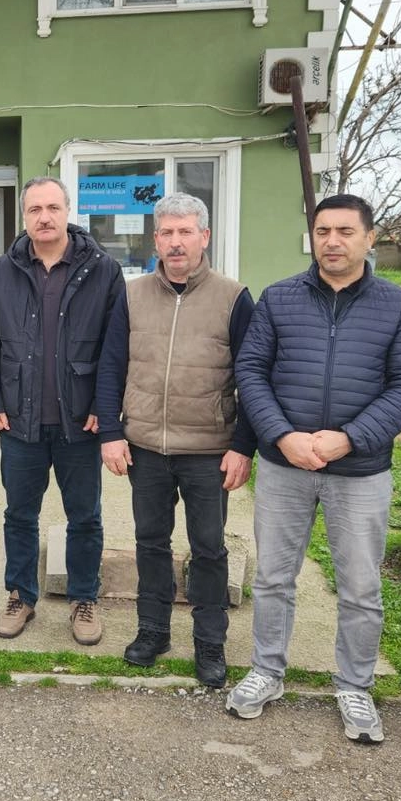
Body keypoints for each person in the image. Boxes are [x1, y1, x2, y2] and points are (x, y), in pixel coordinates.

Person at [229, 193, 401, 743]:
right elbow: (251, 369)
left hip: (360, 472)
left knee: (360, 586)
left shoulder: (395, 305)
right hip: (284, 467)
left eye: (344, 231)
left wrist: (350, 439)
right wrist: (281, 435)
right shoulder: (279, 298)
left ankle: (355, 685)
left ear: (369, 238)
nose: (332, 241)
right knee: (273, 578)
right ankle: (266, 671)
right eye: (322, 231)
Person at [95, 192, 256, 687]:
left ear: (204, 236)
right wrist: (111, 432)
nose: (176, 242)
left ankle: (209, 641)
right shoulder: (131, 295)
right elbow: (111, 366)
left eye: (186, 231)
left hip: (209, 451)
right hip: (145, 447)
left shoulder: (233, 297)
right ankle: (153, 630)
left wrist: (243, 445)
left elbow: (252, 376)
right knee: (150, 542)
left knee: (208, 548)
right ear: (156, 240)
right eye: (167, 232)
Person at [0, 176, 121, 645]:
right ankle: (20, 595)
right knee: (19, 515)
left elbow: (117, 346)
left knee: (85, 517)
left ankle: (84, 598)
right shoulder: (2, 271)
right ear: (24, 216)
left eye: (53, 207)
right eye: (35, 209)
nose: (44, 217)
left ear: (68, 211)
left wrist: (104, 406)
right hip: (20, 421)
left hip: (81, 422)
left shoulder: (103, 269)